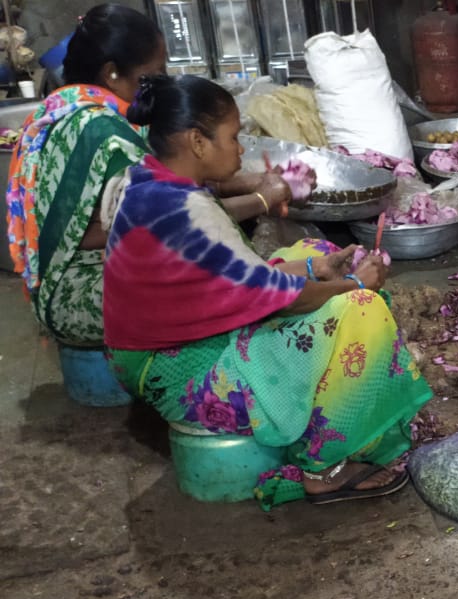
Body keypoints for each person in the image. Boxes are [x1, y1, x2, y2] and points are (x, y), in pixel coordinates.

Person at [103, 75, 432, 508]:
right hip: (176, 370)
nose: (240, 149)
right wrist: (352, 284)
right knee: (359, 310)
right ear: (197, 142)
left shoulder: (149, 180)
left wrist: (316, 267)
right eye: (233, 137)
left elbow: (222, 272)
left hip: (155, 348)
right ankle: (325, 468)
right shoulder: (186, 211)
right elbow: (282, 295)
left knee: (316, 250)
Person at [6, 3, 295, 348]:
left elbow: (166, 182)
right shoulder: (103, 132)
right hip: (77, 294)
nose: (157, 87)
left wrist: (250, 182)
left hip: (52, 283)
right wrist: (263, 198)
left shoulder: (65, 106)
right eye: (150, 76)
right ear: (112, 73)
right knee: (219, 283)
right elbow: (175, 221)